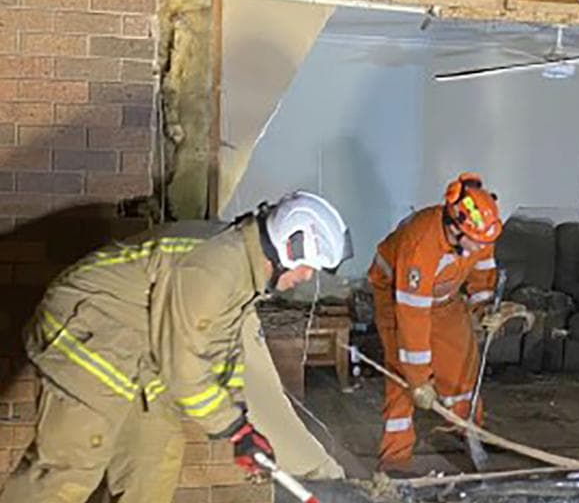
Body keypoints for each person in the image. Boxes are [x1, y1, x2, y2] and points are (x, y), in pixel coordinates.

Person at [0, 191, 353, 503]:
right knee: (71, 469)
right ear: (287, 248)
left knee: (154, 463)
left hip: (143, 348)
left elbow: (222, 350)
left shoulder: (244, 271)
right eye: (308, 268)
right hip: (91, 336)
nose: (307, 278)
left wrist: (242, 424)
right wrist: (231, 428)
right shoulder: (216, 267)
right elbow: (185, 368)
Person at [369, 172, 522, 473]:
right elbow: (412, 319)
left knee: (461, 361)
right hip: (397, 295)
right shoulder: (420, 245)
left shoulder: (479, 232)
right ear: (455, 227)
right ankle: (395, 458)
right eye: (477, 242)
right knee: (401, 375)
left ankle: (466, 432)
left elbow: (481, 272)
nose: (482, 247)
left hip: (444, 296)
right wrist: (419, 380)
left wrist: (483, 310)